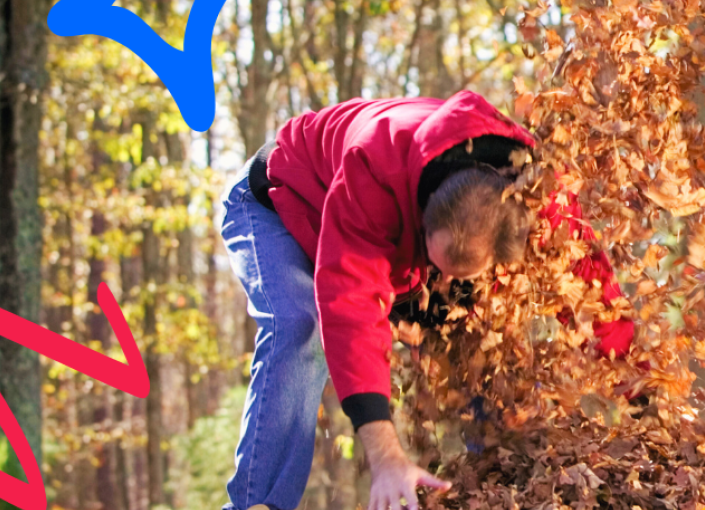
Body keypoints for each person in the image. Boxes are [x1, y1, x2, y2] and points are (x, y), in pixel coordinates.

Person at [216, 90, 634, 510]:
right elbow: (349, 307)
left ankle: (506, 487)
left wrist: (639, 390)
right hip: (278, 205)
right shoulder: (374, 167)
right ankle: (257, 503)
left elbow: (595, 292)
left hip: (408, 261)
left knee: (472, 341)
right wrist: (385, 455)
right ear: (421, 218)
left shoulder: (541, 195)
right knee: (299, 323)